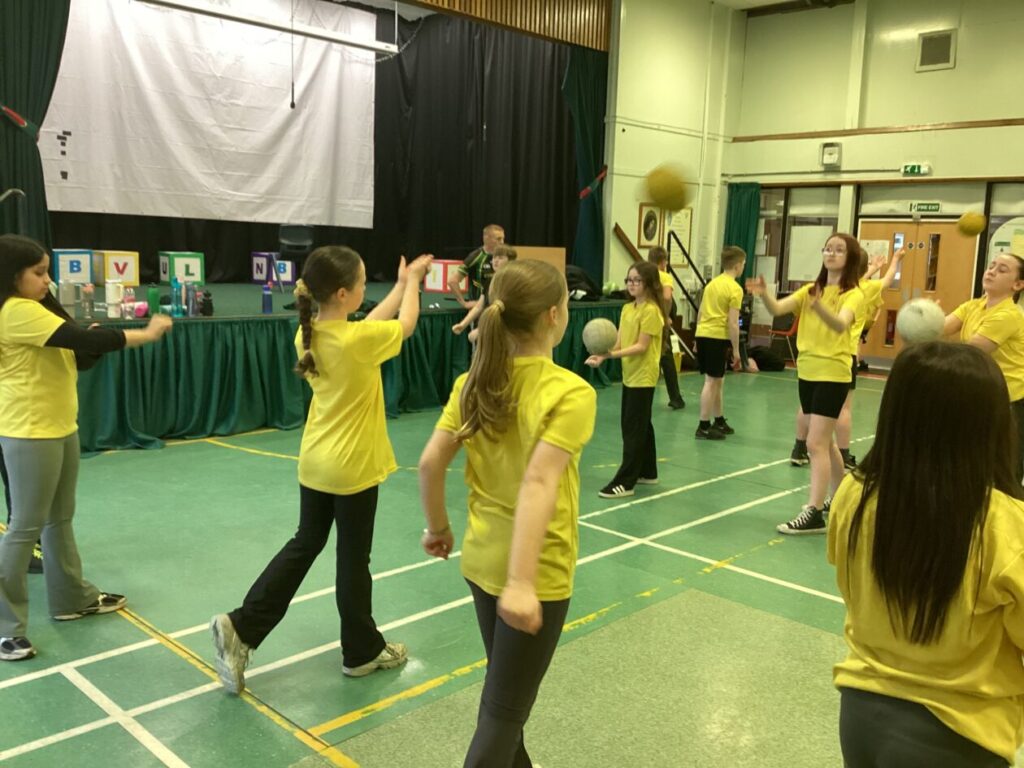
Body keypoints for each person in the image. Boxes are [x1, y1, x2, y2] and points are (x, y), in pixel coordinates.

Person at [210, 246, 433, 693]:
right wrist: (412, 284)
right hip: (352, 470)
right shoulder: (356, 342)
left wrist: (399, 285)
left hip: (316, 463)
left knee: (306, 543)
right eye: (364, 282)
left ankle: (243, 625)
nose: (368, 288)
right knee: (353, 559)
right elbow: (405, 325)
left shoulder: (310, 335)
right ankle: (361, 651)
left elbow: (369, 326)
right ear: (345, 293)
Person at [418, 259, 596, 768]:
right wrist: (521, 582)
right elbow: (538, 482)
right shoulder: (570, 392)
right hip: (535, 572)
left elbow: (430, 464)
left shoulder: (471, 383)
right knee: (502, 715)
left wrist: (438, 527)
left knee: (505, 699)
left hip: (481, 560)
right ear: (555, 315)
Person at [828, 342, 1024, 768]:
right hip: (959, 732)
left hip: (861, 714)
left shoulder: (854, 495)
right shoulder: (1005, 524)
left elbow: (849, 587)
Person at [0, 234, 173, 661]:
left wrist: (86, 339)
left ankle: (70, 599)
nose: (47, 280)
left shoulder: (37, 306)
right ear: (12, 275)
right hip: (28, 430)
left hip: (59, 425)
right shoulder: (16, 310)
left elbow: (78, 352)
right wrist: (147, 333)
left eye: (47, 271)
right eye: (38, 273)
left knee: (59, 518)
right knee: (25, 526)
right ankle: (5, 627)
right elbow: (89, 343)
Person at [750, 233, 864, 534]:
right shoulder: (811, 290)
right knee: (825, 442)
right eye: (828, 248)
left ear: (850, 257)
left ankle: (813, 512)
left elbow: (840, 324)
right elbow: (777, 309)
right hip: (808, 371)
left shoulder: (854, 293)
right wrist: (764, 294)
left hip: (833, 373)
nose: (831, 253)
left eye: (839, 250)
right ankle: (840, 497)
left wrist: (818, 307)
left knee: (815, 443)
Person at [789, 247, 904, 468]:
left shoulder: (827, 289)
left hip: (816, 355)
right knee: (843, 409)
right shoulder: (864, 290)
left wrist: (871, 268)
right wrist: (896, 259)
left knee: (808, 406)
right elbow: (888, 279)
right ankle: (843, 454)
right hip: (843, 356)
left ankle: (799, 448)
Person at [586, 261, 665, 499]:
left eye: (637, 280)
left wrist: (611, 355)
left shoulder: (651, 311)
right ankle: (648, 472)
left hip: (644, 376)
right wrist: (603, 354)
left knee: (633, 429)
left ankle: (626, 481)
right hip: (630, 375)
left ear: (649, 283)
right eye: (629, 280)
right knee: (641, 424)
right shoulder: (627, 309)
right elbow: (619, 342)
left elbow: (641, 347)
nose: (631, 284)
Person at [943, 252, 1024, 483]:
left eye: (1002, 270)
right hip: (982, 393)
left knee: (1005, 471)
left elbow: (971, 353)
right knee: (974, 463)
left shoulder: (1008, 315)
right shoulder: (974, 306)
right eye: (991, 266)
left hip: (1010, 400)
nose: (991, 271)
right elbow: (941, 327)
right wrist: (923, 320)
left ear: (1018, 285)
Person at [693, 246, 746, 440]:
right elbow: (733, 322)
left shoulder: (711, 284)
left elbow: (700, 312)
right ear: (738, 265)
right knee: (711, 381)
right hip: (716, 336)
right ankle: (703, 426)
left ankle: (719, 419)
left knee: (718, 380)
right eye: (743, 264)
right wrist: (737, 350)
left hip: (703, 334)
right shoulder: (735, 289)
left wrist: (696, 338)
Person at [453, 245, 517, 342]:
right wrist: (462, 325)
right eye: (494, 257)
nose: (495, 261)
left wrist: (481, 330)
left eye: (500, 258)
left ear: (510, 262)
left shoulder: (513, 283)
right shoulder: (489, 281)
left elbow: (505, 313)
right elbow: (479, 306)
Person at [648, 246, 685, 410]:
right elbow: (667, 297)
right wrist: (665, 315)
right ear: (663, 261)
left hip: (645, 319)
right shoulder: (664, 276)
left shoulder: (644, 274)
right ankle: (675, 397)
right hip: (659, 322)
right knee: (666, 358)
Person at [447, 224, 505, 309]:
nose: (502, 242)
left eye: (503, 239)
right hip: (479, 309)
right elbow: (452, 281)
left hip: (498, 307)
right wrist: (464, 303)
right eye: (498, 239)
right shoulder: (476, 257)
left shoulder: (505, 256)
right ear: (487, 239)